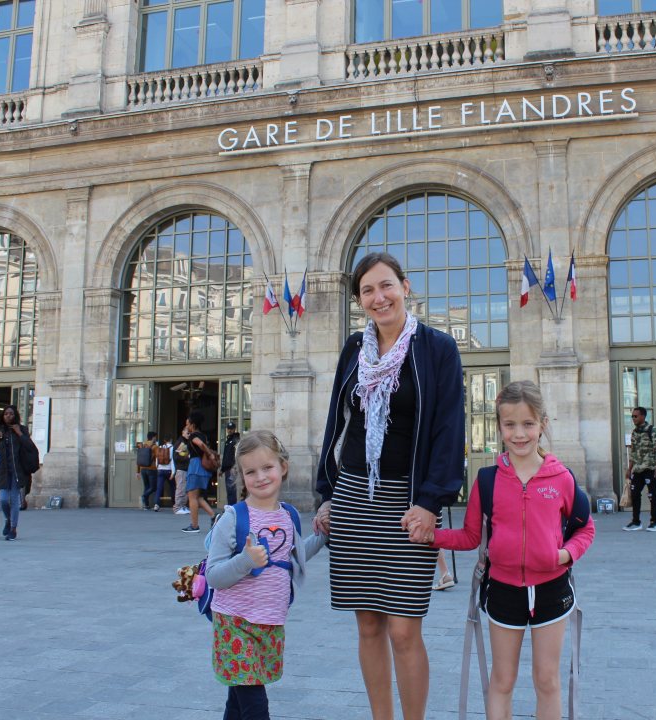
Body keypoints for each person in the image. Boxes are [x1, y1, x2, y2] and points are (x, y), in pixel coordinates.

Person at [314, 252, 465, 720]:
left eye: (386, 286)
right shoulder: (354, 349)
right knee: (367, 626)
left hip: (407, 501)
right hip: (356, 498)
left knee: (403, 629)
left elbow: (449, 427)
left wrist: (430, 501)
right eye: (367, 291)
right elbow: (337, 424)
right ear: (360, 300)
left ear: (405, 286)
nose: (379, 298)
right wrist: (327, 493)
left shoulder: (437, 347)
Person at [413, 380, 595, 719]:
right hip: (503, 591)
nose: (520, 433)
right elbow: (470, 537)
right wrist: (431, 536)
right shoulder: (487, 479)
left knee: (547, 680)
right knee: (502, 679)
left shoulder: (562, 478)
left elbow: (585, 526)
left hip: (552, 590)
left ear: (543, 424)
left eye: (528, 424)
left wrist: (566, 554)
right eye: (510, 425)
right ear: (499, 427)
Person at [205, 430, 327, 720]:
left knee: (238, 699)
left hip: (270, 621)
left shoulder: (289, 515)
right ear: (241, 476)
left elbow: (293, 558)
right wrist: (246, 561)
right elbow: (213, 576)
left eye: (267, 468)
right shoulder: (233, 518)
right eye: (251, 471)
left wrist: (322, 537)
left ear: (283, 467)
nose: (260, 477)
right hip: (235, 622)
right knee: (255, 704)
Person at [0, 405, 36, 540]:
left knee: (15, 501)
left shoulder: (22, 430)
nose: (8, 416)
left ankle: (13, 529)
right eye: (6, 414)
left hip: (17, 471)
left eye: (11, 414)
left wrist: (20, 434)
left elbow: (30, 447)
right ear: (2, 416)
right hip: (4, 471)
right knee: (3, 500)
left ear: (15, 415)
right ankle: (8, 520)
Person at [623, 406, 656, 532]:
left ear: (643, 416)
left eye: (636, 416)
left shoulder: (652, 430)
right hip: (638, 469)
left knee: (652, 495)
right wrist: (629, 469)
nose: (633, 418)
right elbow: (633, 452)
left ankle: (654, 522)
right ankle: (636, 522)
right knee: (635, 494)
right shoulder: (635, 432)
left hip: (650, 468)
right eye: (632, 416)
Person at [182, 410, 217, 533]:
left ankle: (194, 525)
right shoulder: (203, 435)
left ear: (192, 424)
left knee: (192, 497)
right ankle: (214, 516)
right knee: (198, 497)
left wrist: (209, 454)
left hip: (196, 467)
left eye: (187, 424)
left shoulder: (194, 436)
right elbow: (202, 443)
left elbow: (200, 444)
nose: (186, 426)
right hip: (203, 468)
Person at [220, 421, 240, 504]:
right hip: (228, 468)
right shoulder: (228, 440)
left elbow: (236, 455)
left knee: (231, 489)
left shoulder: (235, 440)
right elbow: (226, 456)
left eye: (231, 429)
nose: (229, 430)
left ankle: (232, 507)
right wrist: (222, 469)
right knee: (229, 489)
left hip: (232, 467)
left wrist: (235, 466)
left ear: (234, 429)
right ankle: (230, 506)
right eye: (228, 428)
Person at [138, 431, 159, 510]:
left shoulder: (142, 445)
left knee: (146, 486)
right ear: (153, 437)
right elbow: (158, 457)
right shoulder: (155, 447)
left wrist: (138, 471)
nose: (156, 438)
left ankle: (146, 505)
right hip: (151, 468)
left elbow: (139, 458)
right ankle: (144, 496)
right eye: (155, 437)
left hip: (143, 468)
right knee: (153, 487)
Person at [154, 438, 174, 512]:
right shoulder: (172, 448)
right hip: (169, 470)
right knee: (172, 487)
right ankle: (174, 503)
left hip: (160, 470)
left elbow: (157, 459)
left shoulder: (160, 447)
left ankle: (156, 504)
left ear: (164, 441)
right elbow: (172, 461)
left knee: (159, 488)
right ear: (171, 440)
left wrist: (158, 467)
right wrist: (173, 472)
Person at [173, 434, 191, 515]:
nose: (189, 435)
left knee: (184, 488)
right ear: (183, 432)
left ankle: (182, 506)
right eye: (187, 433)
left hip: (184, 468)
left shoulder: (185, 442)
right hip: (181, 469)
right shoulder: (181, 443)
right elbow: (177, 457)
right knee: (181, 488)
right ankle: (177, 507)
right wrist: (187, 457)